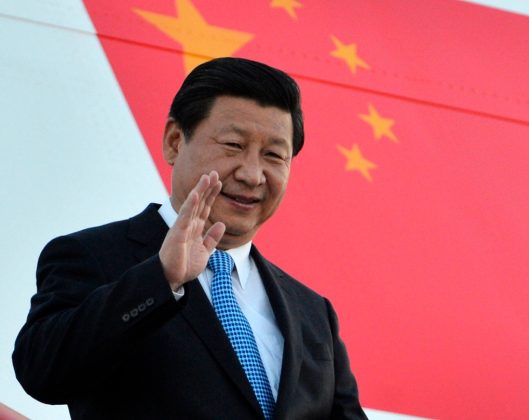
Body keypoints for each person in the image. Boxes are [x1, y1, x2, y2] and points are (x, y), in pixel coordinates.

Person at [13, 57, 366, 419]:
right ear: (175, 141)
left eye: (274, 155)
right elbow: (42, 372)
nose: (252, 174)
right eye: (233, 145)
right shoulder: (92, 256)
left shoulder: (312, 311)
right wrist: (161, 279)